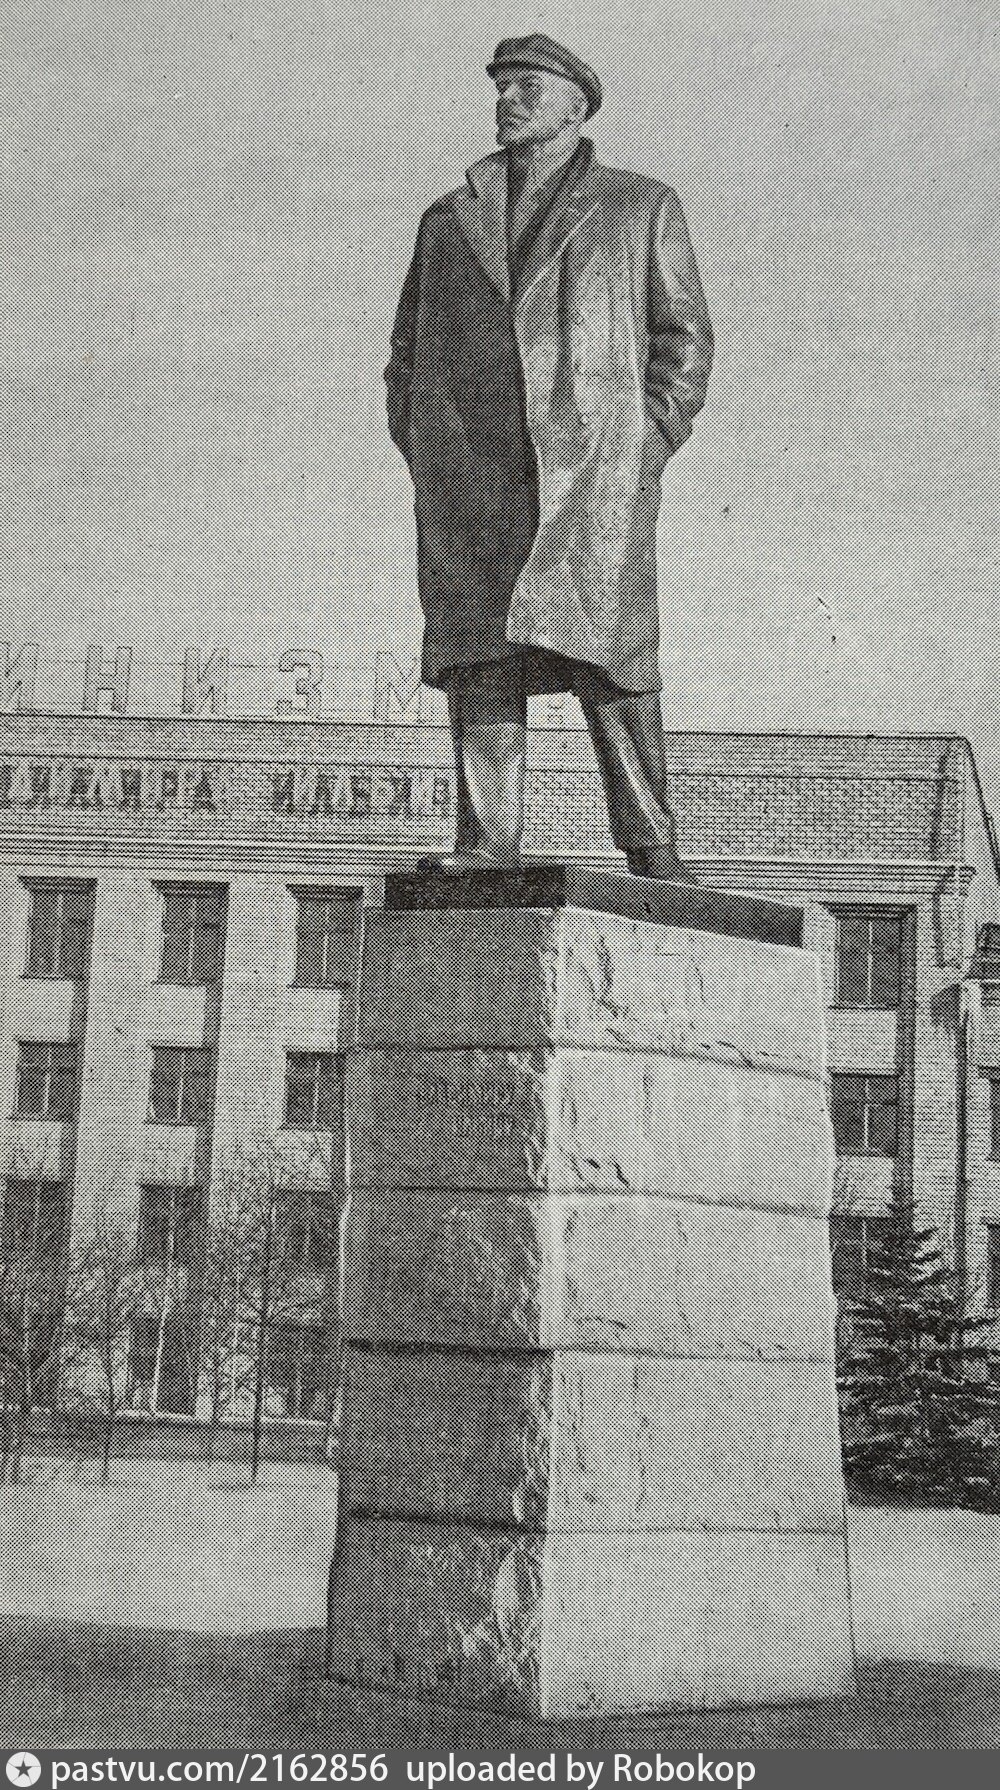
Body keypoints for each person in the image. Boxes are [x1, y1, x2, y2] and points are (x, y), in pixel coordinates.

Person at [386, 35, 713, 876]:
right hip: (472, 478)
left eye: (527, 86)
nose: (508, 100)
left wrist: (643, 444)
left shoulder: (639, 206)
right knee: (480, 657)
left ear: (577, 105)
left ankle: (654, 848)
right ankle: (487, 842)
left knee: (615, 659)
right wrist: (430, 450)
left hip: (595, 471)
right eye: (501, 87)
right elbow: (406, 355)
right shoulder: (447, 220)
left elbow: (683, 340)